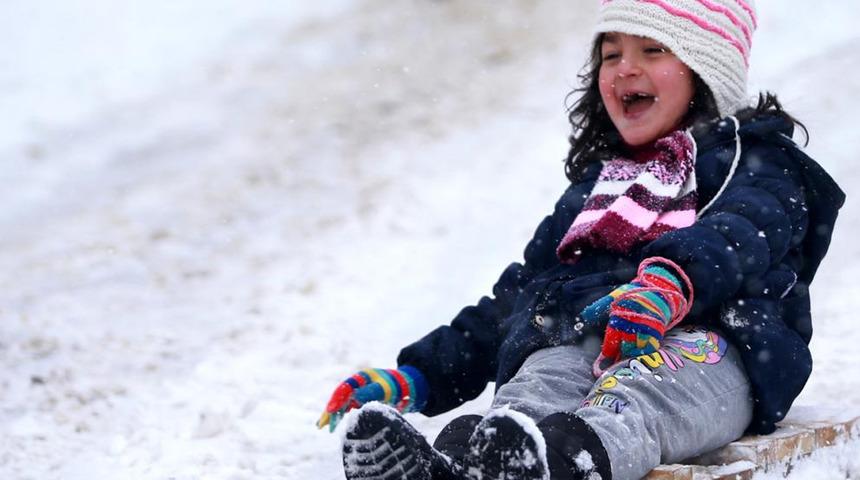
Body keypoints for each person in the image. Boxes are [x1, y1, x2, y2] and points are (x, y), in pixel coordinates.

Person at [318, 1, 846, 479]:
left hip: (714, 346)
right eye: (610, 54)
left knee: (636, 398)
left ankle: (560, 465)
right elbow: (524, 293)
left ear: (705, 68)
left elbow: (739, 234)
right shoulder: (601, 188)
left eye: (652, 49)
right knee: (532, 389)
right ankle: (463, 465)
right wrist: (420, 373)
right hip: (589, 338)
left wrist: (668, 283)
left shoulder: (754, 163)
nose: (624, 68)